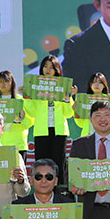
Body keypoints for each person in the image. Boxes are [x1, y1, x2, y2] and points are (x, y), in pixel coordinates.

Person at [24, 55, 77, 184]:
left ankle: (61, 192)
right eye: (45, 67)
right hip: (41, 131)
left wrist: (68, 97)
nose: (48, 70)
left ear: (57, 70)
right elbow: (31, 112)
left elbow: (69, 113)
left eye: (51, 67)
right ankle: (42, 191)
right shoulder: (36, 86)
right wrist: (27, 97)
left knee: (59, 163)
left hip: (59, 131)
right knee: (42, 164)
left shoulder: (62, 86)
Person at [0, 70, 35, 159]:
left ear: (12, 83)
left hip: (18, 144)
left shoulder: (21, 100)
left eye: (6, 81)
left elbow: (31, 121)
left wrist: (22, 120)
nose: (3, 84)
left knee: (18, 172)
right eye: (0, 81)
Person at [74, 72, 110, 137]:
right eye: (94, 82)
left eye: (100, 82)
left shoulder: (109, 100)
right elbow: (80, 124)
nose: (97, 85)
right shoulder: (84, 100)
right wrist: (76, 111)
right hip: (88, 136)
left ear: (104, 85)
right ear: (90, 84)